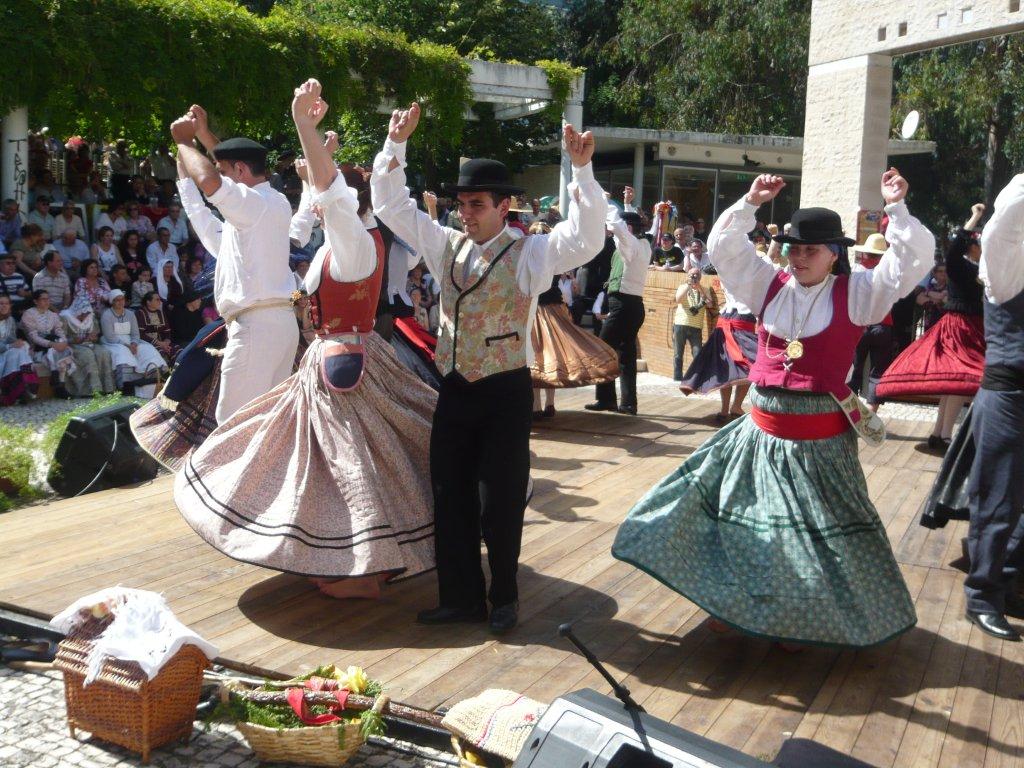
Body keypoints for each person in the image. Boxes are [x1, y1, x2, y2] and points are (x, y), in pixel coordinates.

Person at [613, 170, 934, 648]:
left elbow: (910, 261)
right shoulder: (769, 284)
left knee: (810, 539)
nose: (799, 257)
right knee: (744, 525)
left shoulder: (859, 293)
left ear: (835, 253)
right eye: (794, 248)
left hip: (819, 446)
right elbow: (725, 246)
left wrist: (897, 208)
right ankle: (735, 603)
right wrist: (750, 201)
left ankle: (797, 619)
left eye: (811, 250)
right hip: (760, 435)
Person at [173, 79, 437, 597]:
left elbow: (328, 198)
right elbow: (304, 203)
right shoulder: (332, 242)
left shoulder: (352, 240)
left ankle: (355, 560)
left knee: (342, 458)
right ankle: (336, 551)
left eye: (323, 192)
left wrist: (305, 130)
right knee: (341, 457)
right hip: (328, 358)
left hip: (342, 362)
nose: (315, 199)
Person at [372, 100, 606, 632]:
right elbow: (389, 204)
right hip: (454, 388)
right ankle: (459, 597)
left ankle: (503, 597)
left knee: (500, 500)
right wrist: (395, 143)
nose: (465, 213)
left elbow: (587, 239)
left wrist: (584, 170)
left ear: (504, 207)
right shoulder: (445, 245)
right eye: (461, 204)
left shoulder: (531, 254)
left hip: (504, 392)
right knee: (448, 494)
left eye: (476, 204)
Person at [171, 104, 299, 423]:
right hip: (275, 324)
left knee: (232, 426)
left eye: (225, 172)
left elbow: (210, 181)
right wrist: (201, 138)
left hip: (257, 328)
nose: (221, 178)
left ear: (240, 171)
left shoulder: (254, 204)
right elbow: (202, 217)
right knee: (264, 426)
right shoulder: (266, 206)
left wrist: (184, 142)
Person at [962, 174, 1024, 641]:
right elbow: (1005, 225)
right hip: (1008, 399)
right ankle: (983, 596)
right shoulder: (1005, 268)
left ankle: (1009, 581)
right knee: (997, 502)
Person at [877, 204, 987, 450]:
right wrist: (974, 217)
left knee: (953, 381)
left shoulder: (983, 269)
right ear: (973, 247)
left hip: (970, 327)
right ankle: (945, 434)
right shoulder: (960, 266)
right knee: (959, 378)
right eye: (979, 245)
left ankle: (939, 432)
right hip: (961, 327)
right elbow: (955, 248)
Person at [585, 187, 653, 416]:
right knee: (626, 356)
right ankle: (628, 403)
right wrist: (626, 204)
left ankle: (606, 400)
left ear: (629, 229)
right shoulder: (642, 244)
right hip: (633, 305)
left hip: (622, 305)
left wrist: (605, 203)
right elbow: (624, 227)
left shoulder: (630, 244)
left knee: (603, 349)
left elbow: (618, 226)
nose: (613, 232)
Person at [529, 259, 619, 419]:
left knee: (537, 357)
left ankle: (536, 407)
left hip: (537, 311)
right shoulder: (555, 261)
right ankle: (549, 404)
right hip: (556, 310)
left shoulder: (533, 262)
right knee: (553, 355)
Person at [847, 232, 897, 412]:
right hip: (883, 325)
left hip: (860, 326)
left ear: (866, 253)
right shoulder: (889, 274)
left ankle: (850, 412)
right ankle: (871, 413)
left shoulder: (856, 271)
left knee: (854, 368)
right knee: (877, 372)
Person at [100, 289, 167, 391]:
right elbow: (110, 336)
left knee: (148, 349)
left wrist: (134, 344)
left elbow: (135, 333)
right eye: (117, 300)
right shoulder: (106, 315)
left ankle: (152, 377)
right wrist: (128, 346)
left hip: (130, 340)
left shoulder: (130, 314)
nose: (120, 302)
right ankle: (126, 384)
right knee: (122, 352)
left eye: (122, 299)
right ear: (112, 302)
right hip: (114, 342)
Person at [20, 289, 75, 398]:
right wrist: (52, 344)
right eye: (43, 299)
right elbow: (34, 337)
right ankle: (60, 385)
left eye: (48, 299)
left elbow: (59, 330)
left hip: (50, 347)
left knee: (64, 349)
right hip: (34, 348)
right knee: (54, 351)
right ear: (35, 301)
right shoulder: (29, 314)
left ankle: (58, 380)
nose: (47, 301)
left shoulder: (52, 315)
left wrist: (63, 342)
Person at [60, 292, 115, 397]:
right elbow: (62, 337)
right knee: (87, 355)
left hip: (89, 344)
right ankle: (92, 390)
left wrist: (93, 337)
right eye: (82, 313)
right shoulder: (65, 317)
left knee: (104, 353)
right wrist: (73, 340)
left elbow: (96, 334)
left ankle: (108, 388)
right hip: (73, 346)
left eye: (86, 313)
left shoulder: (90, 317)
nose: (84, 316)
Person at [672, 268, 710, 381]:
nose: (694, 277)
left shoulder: (705, 289)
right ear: (687, 276)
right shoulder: (682, 287)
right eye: (692, 275)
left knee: (697, 353)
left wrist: (700, 288)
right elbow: (678, 300)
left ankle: (695, 377)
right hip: (681, 324)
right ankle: (677, 377)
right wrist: (689, 286)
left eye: (697, 275)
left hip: (696, 327)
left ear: (700, 277)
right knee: (678, 353)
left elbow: (710, 304)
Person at [0, 294, 38, 404]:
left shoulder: (10, 320)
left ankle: (20, 391)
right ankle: (26, 387)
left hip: (5, 353)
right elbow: (8, 344)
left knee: (20, 350)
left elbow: (11, 338)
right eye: (1, 303)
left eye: (6, 303)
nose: (4, 306)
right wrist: (10, 346)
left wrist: (22, 343)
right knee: (18, 353)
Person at [135, 290, 179, 365]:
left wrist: (166, 343)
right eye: (157, 300)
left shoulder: (160, 313)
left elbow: (167, 332)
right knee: (161, 354)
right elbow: (141, 334)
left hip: (163, 343)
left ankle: (176, 370)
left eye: (160, 300)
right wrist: (159, 343)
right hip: (147, 344)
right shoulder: (140, 313)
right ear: (148, 302)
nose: (160, 302)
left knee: (178, 350)